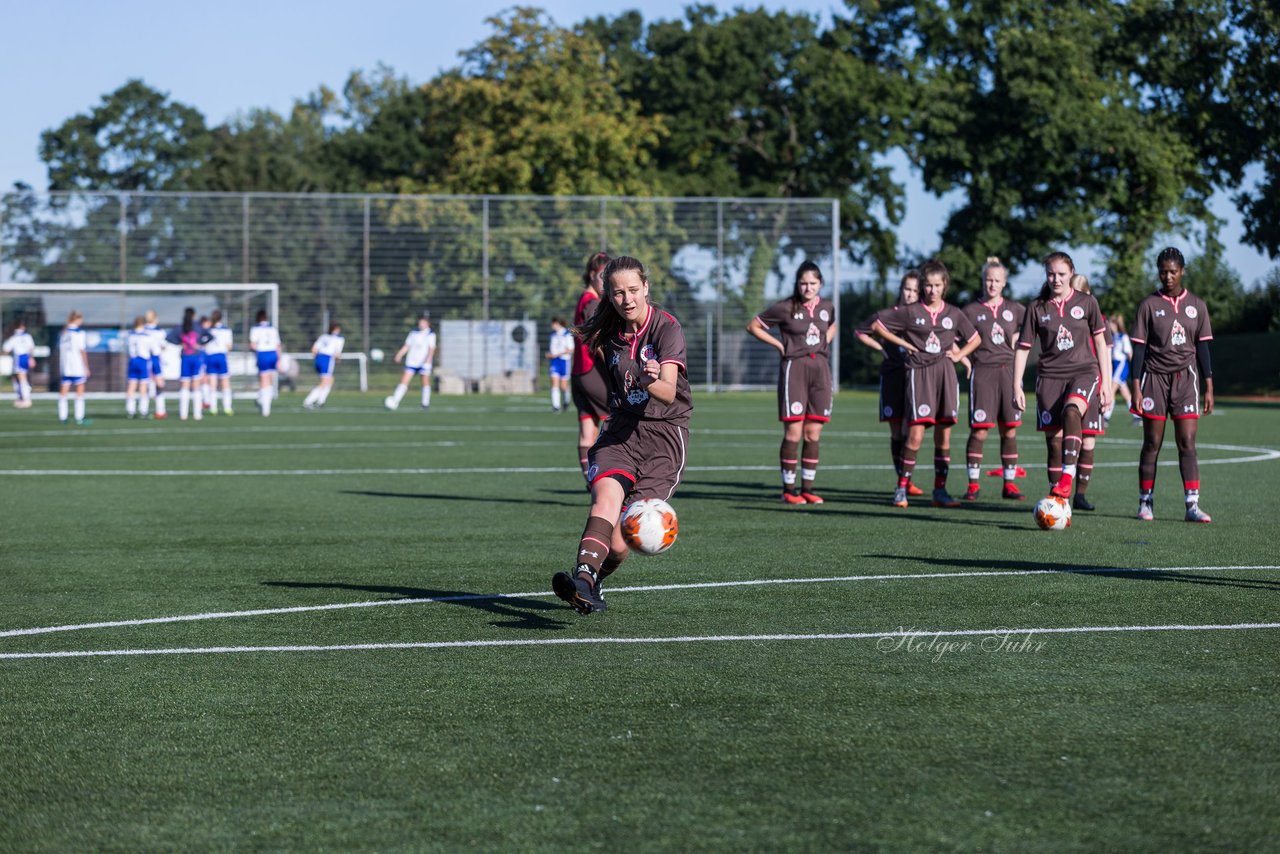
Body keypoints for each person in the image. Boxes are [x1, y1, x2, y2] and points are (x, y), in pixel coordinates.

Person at [551, 256, 692, 615]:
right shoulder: (608, 332)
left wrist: (651, 378)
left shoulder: (667, 329)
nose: (627, 298)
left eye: (633, 290)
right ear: (609, 296)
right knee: (605, 501)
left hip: (664, 439)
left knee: (619, 543)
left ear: (646, 287)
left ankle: (594, 582)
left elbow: (668, 391)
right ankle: (582, 579)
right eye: (618, 292)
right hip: (620, 433)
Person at [872, 259, 981, 508]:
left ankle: (939, 492)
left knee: (943, 437)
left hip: (945, 374)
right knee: (915, 436)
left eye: (937, 285)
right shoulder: (911, 312)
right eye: (928, 285)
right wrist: (905, 345)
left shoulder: (954, 313)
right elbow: (878, 326)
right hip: (919, 375)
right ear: (923, 287)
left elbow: (975, 338)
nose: (932, 290)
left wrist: (960, 355)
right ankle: (901, 489)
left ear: (945, 286)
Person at [1012, 252, 1111, 503]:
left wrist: (1107, 384)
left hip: (1084, 373)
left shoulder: (1087, 303)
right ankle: (1059, 503)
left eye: (1061, 274)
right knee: (1054, 443)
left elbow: (1101, 343)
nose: (1056, 279)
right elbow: (1023, 347)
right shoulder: (1036, 307)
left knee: (1071, 412)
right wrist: (1017, 385)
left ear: (1072, 273)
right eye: (1051, 274)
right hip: (1049, 379)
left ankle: (1068, 478)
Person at [1129, 247, 1215, 522]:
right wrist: (1136, 387)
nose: (1168, 276)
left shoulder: (1198, 306)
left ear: (1182, 271)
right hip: (1153, 378)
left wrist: (1209, 385)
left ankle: (1192, 505)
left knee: (1187, 442)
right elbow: (1139, 352)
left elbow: (1202, 349)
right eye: (1163, 271)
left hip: (1186, 379)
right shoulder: (1148, 306)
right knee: (1152, 441)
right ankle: (1145, 503)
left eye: (1173, 271)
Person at [746, 260, 837, 504]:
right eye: (803, 283)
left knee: (813, 432)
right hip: (794, 369)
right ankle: (788, 490)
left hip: (820, 371)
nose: (808, 288)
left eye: (813, 283)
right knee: (794, 431)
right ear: (797, 284)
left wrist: (825, 341)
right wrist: (779, 345)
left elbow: (832, 324)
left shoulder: (827, 306)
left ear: (820, 284)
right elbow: (753, 325)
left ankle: (807, 488)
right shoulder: (786, 307)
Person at [961, 257, 1027, 501]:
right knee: (979, 432)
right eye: (988, 280)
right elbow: (956, 341)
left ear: (1004, 283)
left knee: (1009, 431)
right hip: (983, 373)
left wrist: (1019, 340)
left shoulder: (1016, 309)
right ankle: (973, 485)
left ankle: (1009, 484)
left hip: (1009, 373)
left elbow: (1031, 330)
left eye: (997, 280)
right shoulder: (970, 311)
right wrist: (965, 361)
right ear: (983, 281)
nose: (992, 284)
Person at [855, 270, 924, 496]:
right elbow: (861, 332)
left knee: (910, 429)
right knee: (897, 432)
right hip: (893, 377)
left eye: (915, 290)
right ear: (901, 290)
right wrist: (881, 348)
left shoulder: (922, 316)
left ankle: (906, 480)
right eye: (907, 289)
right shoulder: (887, 314)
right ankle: (902, 480)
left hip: (915, 377)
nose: (910, 294)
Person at [1067, 273, 1109, 510]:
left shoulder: (1097, 318)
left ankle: (1080, 495)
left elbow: (1107, 352)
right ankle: (1060, 490)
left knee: (1089, 440)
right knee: (1065, 437)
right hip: (1068, 380)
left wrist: (1107, 385)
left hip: (1093, 383)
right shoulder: (1064, 317)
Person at [570, 251, 613, 483]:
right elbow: (595, 337)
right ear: (591, 275)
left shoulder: (582, 299)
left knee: (588, 432)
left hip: (578, 374)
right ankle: (612, 477)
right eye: (602, 277)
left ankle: (590, 480)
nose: (605, 284)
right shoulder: (593, 303)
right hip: (591, 372)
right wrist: (613, 362)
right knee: (618, 418)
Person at [385, 313, 436, 410]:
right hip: (412, 361)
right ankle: (395, 400)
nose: (421, 324)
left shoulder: (430, 334)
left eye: (423, 322)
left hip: (424, 362)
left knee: (425, 381)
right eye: (420, 322)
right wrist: (399, 354)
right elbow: (407, 346)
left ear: (428, 323)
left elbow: (431, 348)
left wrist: (428, 359)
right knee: (404, 381)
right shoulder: (413, 332)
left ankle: (425, 403)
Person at [170, 307, 207, 421]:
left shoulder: (180, 327)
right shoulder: (197, 327)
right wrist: (200, 343)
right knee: (196, 386)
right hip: (195, 357)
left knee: (185, 386)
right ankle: (197, 414)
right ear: (194, 315)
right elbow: (210, 336)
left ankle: (183, 414)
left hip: (185, 357)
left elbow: (169, 337)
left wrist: (180, 343)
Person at [57, 310, 91, 425]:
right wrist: (86, 366)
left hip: (65, 366)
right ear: (77, 319)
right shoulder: (79, 333)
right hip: (76, 365)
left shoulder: (63, 332)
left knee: (63, 392)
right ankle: (79, 417)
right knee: (80, 391)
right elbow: (82, 350)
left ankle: (62, 417)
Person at [248, 309, 281, 417]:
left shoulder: (255, 329)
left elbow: (252, 345)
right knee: (269, 379)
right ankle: (264, 403)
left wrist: (257, 351)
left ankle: (264, 406)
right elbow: (278, 346)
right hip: (273, 354)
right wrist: (279, 359)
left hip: (262, 354)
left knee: (263, 380)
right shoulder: (273, 329)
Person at [303, 322, 344, 409]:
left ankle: (321, 401)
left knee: (330, 380)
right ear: (336, 329)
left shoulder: (323, 336)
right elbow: (337, 353)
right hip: (327, 359)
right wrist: (338, 359)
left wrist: (318, 360)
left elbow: (314, 350)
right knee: (324, 382)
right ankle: (308, 401)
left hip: (319, 358)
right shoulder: (339, 339)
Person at [204, 309, 234, 415]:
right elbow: (229, 347)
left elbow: (204, 345)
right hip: (221, 356)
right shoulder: (226, 330)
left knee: (212, 383)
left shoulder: (208, 330)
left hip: (211, 357)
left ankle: (213, 408)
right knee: (225, 382)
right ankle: (227, 407)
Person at [124, 316, 154, 418]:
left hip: (133, 360)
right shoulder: (146, 335)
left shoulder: (130, 335)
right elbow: (152, 350)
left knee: (131, 386)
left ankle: (130, 411)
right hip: (142, 361)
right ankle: (143, 410)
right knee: (143, 387)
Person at [1106, 313, 1134, 423]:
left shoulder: (1124, 337)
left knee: (1111, 389)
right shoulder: (1113, 337)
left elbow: (1129, 353)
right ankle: (1137, 415)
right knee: (1125, 392)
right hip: (1114, 365)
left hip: (1121, 365)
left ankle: (1106, 416)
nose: (1109, 326)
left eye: (1111, 324)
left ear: (1116, 324)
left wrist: (1134, 370)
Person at [2, 318, 35, 408]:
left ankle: (26, 399)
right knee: (18, 379)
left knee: (21, 379)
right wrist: (31, 358)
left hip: (19, 358)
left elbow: (6, 349)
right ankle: (22, 397)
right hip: (26, 358)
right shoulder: (27, 336)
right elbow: (31, 348)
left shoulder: (14, 337)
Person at [143, 309, 169, 419]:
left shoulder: (142, 330)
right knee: (160, 385)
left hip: (143, 360)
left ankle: (143, 410)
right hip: (155, 359)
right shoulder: (160, 332)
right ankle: (160, 411)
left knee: (143, 385)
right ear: (155, 318)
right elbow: (163, 346)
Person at [545, 317, 573, 413]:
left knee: (563, 386)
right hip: (554, 361)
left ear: (557, 323)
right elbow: (552, 349)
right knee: (554, 381)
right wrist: (550, 354)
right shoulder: (552, 335)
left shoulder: (566, 334)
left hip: (564, 361)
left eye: (553, 324)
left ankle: (566, 401)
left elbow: (571, 349)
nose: (552, 326)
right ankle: (556, 406)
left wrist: (558, 353)